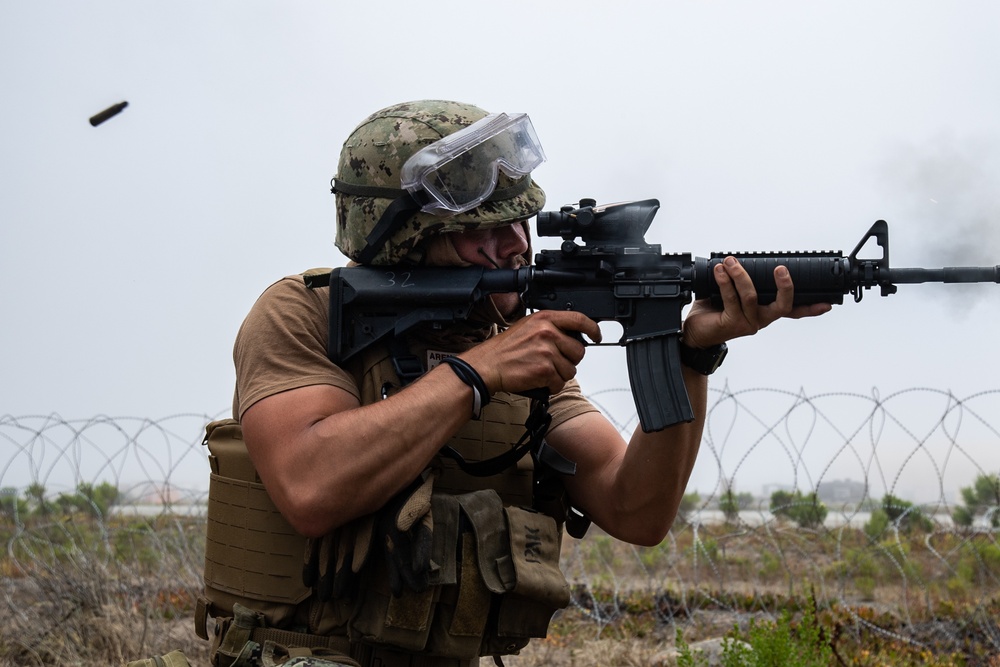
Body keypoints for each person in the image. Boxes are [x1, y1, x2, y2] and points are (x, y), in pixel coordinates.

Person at [195, 100, 831, 667]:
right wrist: (479, 373)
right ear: (403, 237)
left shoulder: (519, 348)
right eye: (484, 231)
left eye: (521, 222)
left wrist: (694, 355)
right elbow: (311, 485)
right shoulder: (302, 313)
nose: (515, 246)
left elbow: (636, 510)